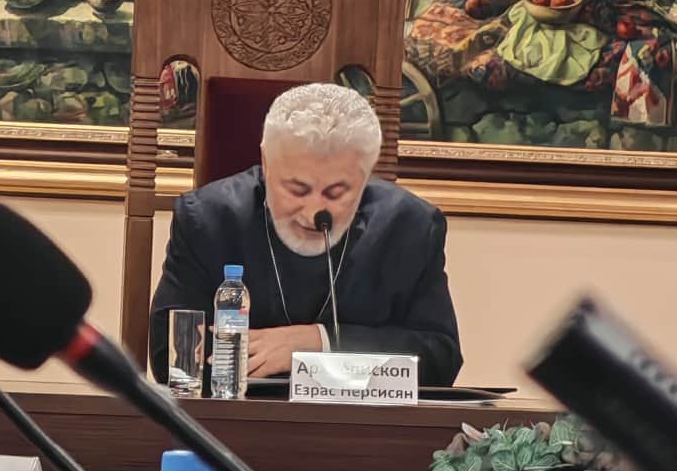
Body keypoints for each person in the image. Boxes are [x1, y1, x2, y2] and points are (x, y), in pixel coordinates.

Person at [149, 82, 462, 387]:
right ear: (266, 164)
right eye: (297, 189)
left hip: (360, 419)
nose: (314, 211)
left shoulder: (408, 227)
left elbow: (440, 358)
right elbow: (172, 357)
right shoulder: (208, 219)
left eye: (336, 192)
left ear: (366, 175)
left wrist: (317, 342)